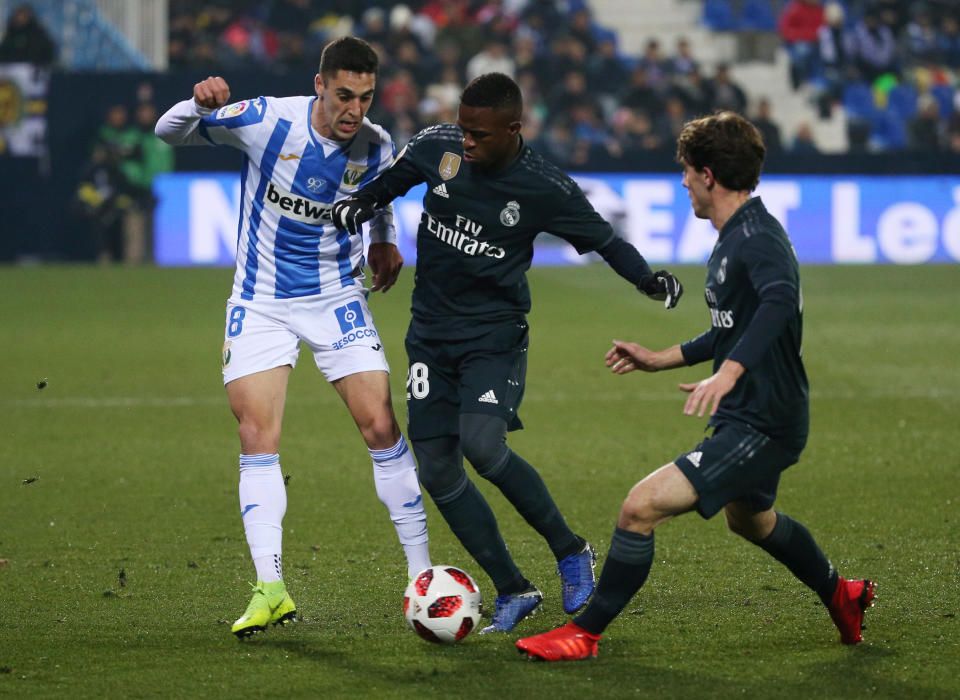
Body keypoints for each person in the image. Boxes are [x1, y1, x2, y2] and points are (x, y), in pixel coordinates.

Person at [516, 111, 876, 661]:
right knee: (752, 520)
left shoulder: (757, 239)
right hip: (753, 412)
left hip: (763, 418)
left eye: (686, 171)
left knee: (639, 508)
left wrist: (730, 373)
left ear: (708, 175)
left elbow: (779, 303)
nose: (682, 182)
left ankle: (582, 633)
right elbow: (732, 328)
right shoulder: (737, 235)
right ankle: (842, 593)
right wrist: (661, 358)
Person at [331, 72, 683, 634]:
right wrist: (359, 207)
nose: (466, 142)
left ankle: (570, 550)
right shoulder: (437, 147)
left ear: (513, 130)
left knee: (483, 447)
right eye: (463, 129)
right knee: (438, 468)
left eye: (479, 134)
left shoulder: (544, 186)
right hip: (429, 333)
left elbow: (604, 240)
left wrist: (648, 282)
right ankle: (513, 587)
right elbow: (389, 184)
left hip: (493, 335)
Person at [154, 36, 430, 639]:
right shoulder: (265, 120)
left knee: (381, 426)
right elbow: (165, 132)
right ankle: (270, 586)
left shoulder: (377, 144)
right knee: (258, 436)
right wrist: (198, 106)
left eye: (364, 97)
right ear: (319, 86)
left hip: (336, 298)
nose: (353, 110)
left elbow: (378, 198)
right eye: (342, 96)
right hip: (260, 302)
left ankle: (421, 576)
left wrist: (383, 238)